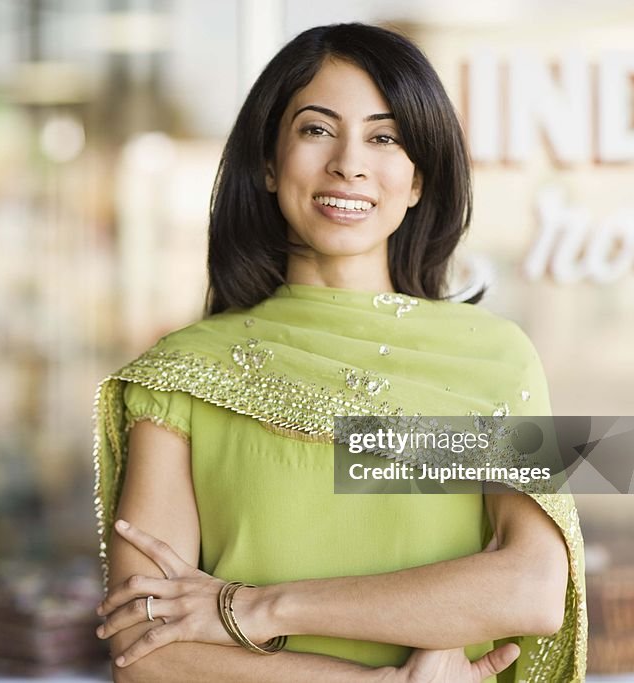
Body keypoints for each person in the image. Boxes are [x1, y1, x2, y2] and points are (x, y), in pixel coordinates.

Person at [92, 23, 586, 682]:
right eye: (317, 130)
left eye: (385, 137)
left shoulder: (487, 358)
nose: (349, 163)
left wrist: (257, 607)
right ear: (269, 163)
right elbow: (146, 650)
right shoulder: (183, 374)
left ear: (417, 180)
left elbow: (530, 587)